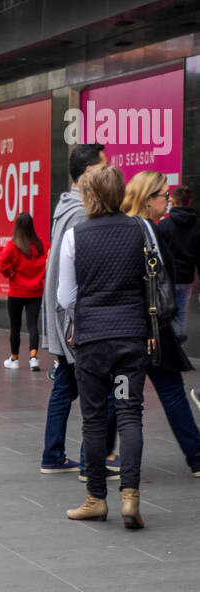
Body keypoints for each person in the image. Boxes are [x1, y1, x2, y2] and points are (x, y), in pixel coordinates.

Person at [58, 164, 150, 528]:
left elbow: (66, 296)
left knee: (94, 420)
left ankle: (96, 498)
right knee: (129, 414)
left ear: (88, 194)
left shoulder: (74, 236)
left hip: (92, 341)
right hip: (130, 337)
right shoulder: (140, 230)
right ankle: (130, 497)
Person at [39, 143, 120, 478]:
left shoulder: (67, 207)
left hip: (64, 315)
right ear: (90, 172)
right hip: (74, 318)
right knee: (104, 391)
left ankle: (54, 455)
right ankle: (91, 461)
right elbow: (75, 274)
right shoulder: (79, 212)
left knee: (66, 385)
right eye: (104, 166)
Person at [122, 171, 200, 478]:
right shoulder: (141, 230)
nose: (167, 200)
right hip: (148, 327)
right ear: (147, 198)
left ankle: (98, 459)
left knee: (125, 395)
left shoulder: (148, 227)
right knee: (160, 392)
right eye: (162, 196)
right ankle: (196, 455)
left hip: (148, 326)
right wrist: (148, 324)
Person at [0, 212, 48, 370]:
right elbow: (50, 260)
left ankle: (14, 359)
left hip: (16, 292)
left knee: (15, 326)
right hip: (35, 292)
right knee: (33, 325)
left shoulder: (13, 245)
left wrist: (11, 273)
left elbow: (2, 264)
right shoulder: (42, 245)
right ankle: (33, 358)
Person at [158, 185, 200, 335]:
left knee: (165, 315)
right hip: (186, 279)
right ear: (189, 202)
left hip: (167, 279)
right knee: (181, 315)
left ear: (173, 202)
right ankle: (178, 348)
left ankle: (168, 350)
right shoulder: (196, 227)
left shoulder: (163, 225)